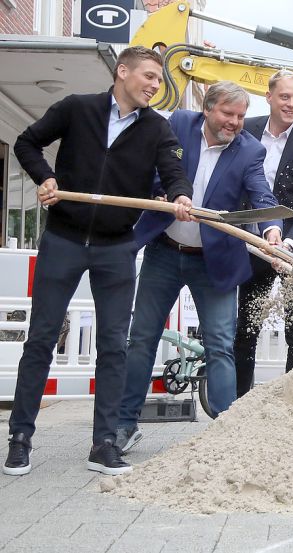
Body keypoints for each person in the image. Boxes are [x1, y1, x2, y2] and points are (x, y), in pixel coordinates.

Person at [4, 46, 194, 477]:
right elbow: (26, 142)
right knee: (40, 340)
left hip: (116, 248)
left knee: (113, 347)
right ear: (122, 71)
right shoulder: (77, 108)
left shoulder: (157, 128)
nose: (154, 85)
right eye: (148, 76)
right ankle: (20, 438)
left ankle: (104, 443)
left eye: (159, 81)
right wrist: (45, 177)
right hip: (64, 239)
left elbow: (173, 171)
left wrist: (181, 196)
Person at [114, 81, 282, 454]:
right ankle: (123, 425)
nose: (235, 122)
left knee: (221, 345)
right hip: (164, 251)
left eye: (240, 116)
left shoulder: (250, 150)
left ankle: (224, 434)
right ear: (207, 109)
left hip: (215, 262)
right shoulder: (179, 124)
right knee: (141, 338)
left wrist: (271, 229)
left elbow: (260, 193)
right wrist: (165, 195)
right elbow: (159, 170)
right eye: (227, 113)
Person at [233, 70, 293, 397]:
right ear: (270, 96)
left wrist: (287, 245)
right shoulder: (246, 130)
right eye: (285, 97)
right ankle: (238, 405)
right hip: (253, 243)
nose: (291, 104)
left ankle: (292, 406)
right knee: (246, 329)